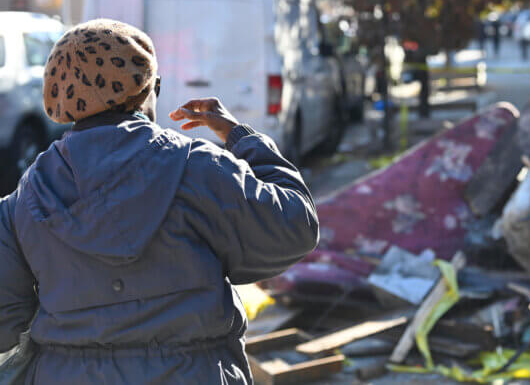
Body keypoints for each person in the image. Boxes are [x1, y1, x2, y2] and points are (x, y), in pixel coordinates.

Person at [0, 19, 319, 384]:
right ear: (144, 90)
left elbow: (6, 322)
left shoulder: (25, 196)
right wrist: (241, 137)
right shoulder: (198, 167)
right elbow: (295, 227)